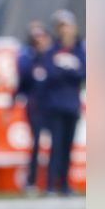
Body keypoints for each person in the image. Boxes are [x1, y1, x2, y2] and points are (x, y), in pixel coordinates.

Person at [42, 10, 85, 196]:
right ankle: (51, 184)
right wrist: (69, 71)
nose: (64, 30)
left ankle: (66, 184)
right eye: (61, 27)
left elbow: (83, 74)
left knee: (67, 147)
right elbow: (51, 74)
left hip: (72, 104)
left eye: (66, 26)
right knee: (56, 146)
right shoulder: (51, 51)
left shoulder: (79, 50)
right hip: (55, 105)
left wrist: (66, 71)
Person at [14, 21, 52, 194]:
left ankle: (53, 181)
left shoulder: (53, 56)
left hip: (53, 105)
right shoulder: (27, 58)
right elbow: (22, 81)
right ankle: (32, 181)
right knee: (36, 143)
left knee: (57, 144)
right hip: (36, 105)